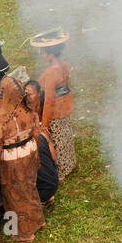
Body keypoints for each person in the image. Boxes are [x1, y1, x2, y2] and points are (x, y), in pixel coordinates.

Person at [0, 76, 44, 243]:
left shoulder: (0, 117)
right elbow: (36, 132)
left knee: (14, 195)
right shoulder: (29, 108)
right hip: (30, 150)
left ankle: (25, 232)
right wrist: (35, 152)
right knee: (30, 188)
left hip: (12, 159)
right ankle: (38, 221)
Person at [32, 30, 76, 178]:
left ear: (50, 53)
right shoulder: (63, 65)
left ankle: (61, 171)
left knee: (57, 140)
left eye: (42, 51)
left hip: (56, 111)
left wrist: (44, 125)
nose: (41, 54)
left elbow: (49, 101)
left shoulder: (51, 74)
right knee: (65, 137)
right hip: (65, 107)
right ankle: (69, 163)